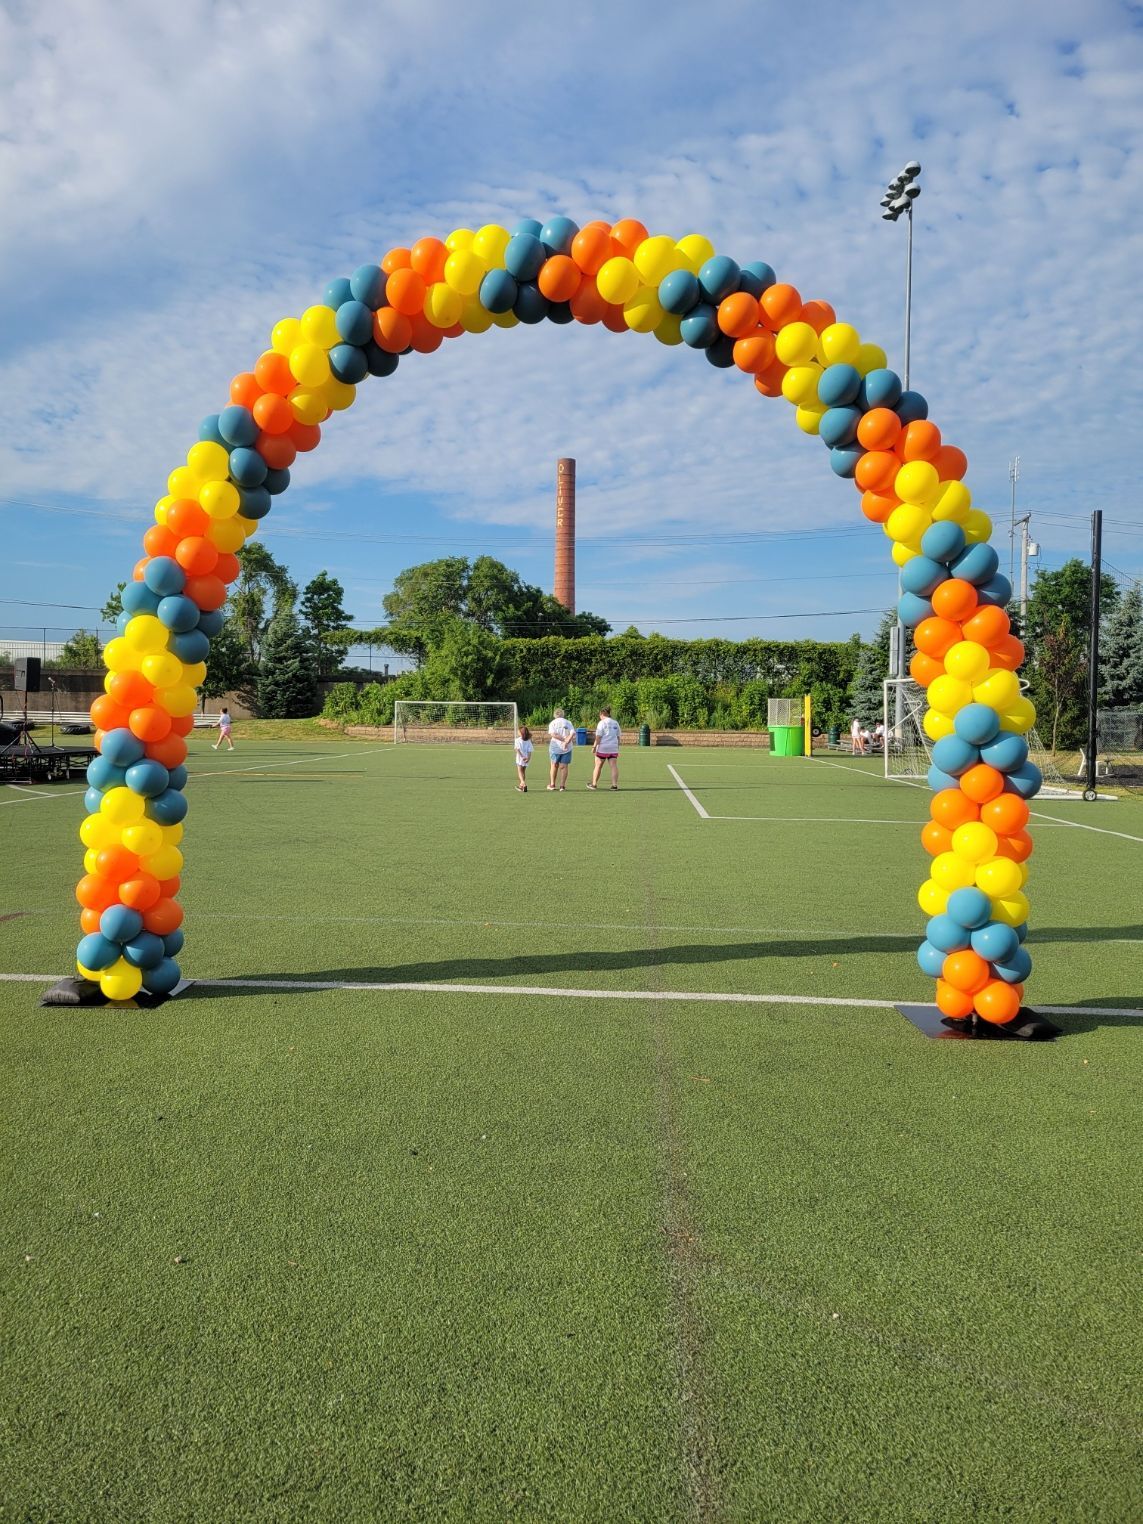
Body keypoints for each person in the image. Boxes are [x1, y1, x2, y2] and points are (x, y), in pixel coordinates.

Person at [587, 706, 621, 790]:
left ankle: (594, 784)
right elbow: (618, 737)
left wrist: (594, 747)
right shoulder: (615, 723)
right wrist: (617, 747)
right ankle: (614, 785)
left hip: (603, 747)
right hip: (613, 747)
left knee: (598, 765)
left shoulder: (601, 723)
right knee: (613, 766)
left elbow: (598, 737)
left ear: (602, 714)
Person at [547, 708, 575, 790]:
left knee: (554, 765)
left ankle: (552, 785)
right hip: (567, 748)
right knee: (564, 766)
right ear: (563, 714)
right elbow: (572, 733)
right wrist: (566, 741)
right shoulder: (568, 722)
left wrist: (563, 740)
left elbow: (553, 734)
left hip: (555, 748)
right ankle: (562, 786)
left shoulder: (553, 723)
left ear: (554, 715)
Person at [514, 725, 533, 791]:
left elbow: (517, 749)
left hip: (520, 757)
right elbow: (530, 751)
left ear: (521, 733)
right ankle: (521, 786)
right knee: (523, 771)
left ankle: (523, 783)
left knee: (519, 771)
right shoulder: (528, 741)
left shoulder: (517, 740)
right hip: (526, 758)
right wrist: (528, 758)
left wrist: (522, 757)